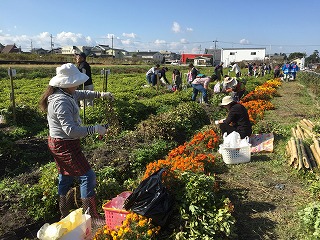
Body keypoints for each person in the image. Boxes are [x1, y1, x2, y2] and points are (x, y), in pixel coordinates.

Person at [39, 63, 114, 222]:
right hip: (64, 144)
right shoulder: (61, 101)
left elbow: (81, 93)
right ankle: (92, 217)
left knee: (65, 177)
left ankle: (64, 215)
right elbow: (70, 130)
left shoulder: (67, 93)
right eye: (75, 81)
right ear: (67, 83)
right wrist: (95, 129)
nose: (78, 84)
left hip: (62, 142)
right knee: (87, 176)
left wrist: (101, 94)